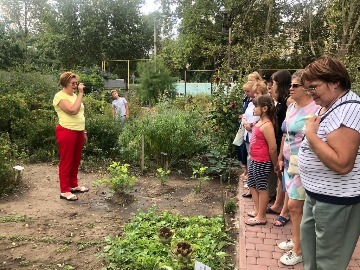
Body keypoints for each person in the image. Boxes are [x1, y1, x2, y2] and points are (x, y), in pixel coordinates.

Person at [298, 56, 360, 270]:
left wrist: (311, 135)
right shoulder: (327, 106)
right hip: (316, 195)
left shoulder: (349, 109)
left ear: (335, 82)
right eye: (307, 89)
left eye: (313, 87)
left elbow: (342, 164)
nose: (310, 93)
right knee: (311, 258)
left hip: (336, 201)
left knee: (329, 263)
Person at [276, 70, 320, 266]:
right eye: (291, 85)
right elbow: (285, 133)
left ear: (306, 88)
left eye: (295, 86)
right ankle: (297, 240)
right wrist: (279, 157)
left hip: (303, 164)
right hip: (288, 163)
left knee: (295, 206)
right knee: (296, 207)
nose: (291, 89)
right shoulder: (292, 106)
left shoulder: (315, 109)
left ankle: (299, 250)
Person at [53, 72, 89, 201]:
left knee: (76, 160)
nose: (75, 85)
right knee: (67, 161)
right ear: (65, 83)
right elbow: (73, 111)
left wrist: (84, 131)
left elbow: (81, 115)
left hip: (78, 131)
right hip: (67, 131)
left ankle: (73, 185)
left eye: (76, 83)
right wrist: (80, 93)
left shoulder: (74, 96)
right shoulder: (60, 97)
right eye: (72, 83)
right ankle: (64, 190)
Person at [245, 95, 278, 226]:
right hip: (254, 159)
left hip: (262, 161)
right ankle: (258, 211)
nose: (253, 109)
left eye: (256, 106)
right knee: (252, 185)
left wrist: (275, 164)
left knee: (261, 187)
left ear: (264, 108)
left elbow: (273, 147)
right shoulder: (259, 122)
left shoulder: (267, 125)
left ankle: (262, 216)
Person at [266, 70, 292, 217]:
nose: (272, 85)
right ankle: (277, 204)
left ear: (280, 84)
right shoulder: (282, 101)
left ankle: (284, 209)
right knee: (280, 176)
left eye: (274, 82)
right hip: (279, 139)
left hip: (282, 141)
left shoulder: (288, 102)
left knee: (283, 176)